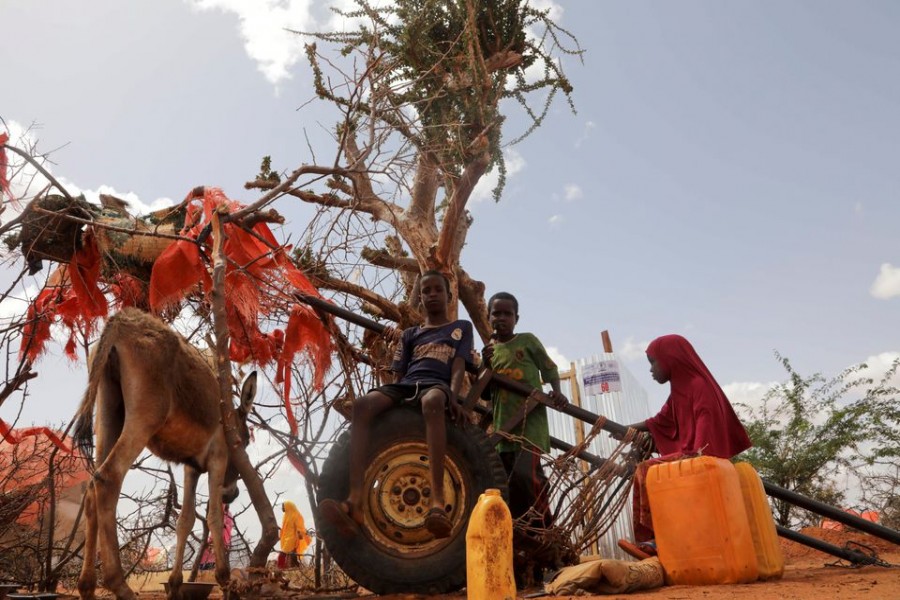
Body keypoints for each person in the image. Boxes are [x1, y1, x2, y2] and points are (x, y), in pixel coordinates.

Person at [319, 270, 474, 539]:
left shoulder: (460, 328)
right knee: (362, 406)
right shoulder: (410, 334)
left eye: (438, 290)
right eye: (426, 291)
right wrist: (392, 404)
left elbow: (459, 365)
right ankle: (354, 500)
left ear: (449, 296)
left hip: (436, 384)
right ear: (421, 298)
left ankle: (437, 502)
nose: (432, 295)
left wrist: (453, 395)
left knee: (433, 401)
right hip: (407, 384)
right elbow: (399, 374)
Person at [618, 334, 752, 559]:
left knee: (645, 470)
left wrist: (694, 455)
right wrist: (626, 430)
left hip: (703, 458)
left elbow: (705, 429)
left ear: (670, 359)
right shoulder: (680, 390)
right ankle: (656, 541)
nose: (651, 370)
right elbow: (660, 421)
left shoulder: (699, 386)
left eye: (653, 362)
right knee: (646, 469)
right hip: (692, 456)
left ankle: (656, 541)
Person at [482, 291, 568, 529]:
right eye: (496, 313)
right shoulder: (489, 352)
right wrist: (485, 364)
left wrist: (557, 390)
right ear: (488, 318)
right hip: (503, 429)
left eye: (507, 314)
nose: (501, 318)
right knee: (508, 483)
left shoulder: (527, 341)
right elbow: (484, 394)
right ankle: (522, 530)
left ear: (516, 318)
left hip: (529, 424)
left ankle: (545, 526)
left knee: (526, 474)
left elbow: (549, 368)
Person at [199, 504, 233, 569]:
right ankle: (203, 568)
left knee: (217, 554)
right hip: (213, 536)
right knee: (206, 552)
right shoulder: (215, 512)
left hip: (223, 537)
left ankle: (214, 568)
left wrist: (224, 525)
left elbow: (230, 525)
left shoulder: (228, 514)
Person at [279, 501, 312, 568]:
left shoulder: (296, 515)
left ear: (288, 507)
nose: (282, 508)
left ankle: (280, 568)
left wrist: (300, 533)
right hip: (286, 538)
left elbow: (299, 526)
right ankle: (295, 567)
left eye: (283, 506)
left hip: (292, 538)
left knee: (282, 554)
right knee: (293, 554)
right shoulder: (286, 515)